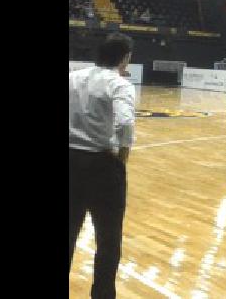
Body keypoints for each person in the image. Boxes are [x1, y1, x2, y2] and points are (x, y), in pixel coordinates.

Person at [69, 33, 136, 299]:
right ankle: (102, 294)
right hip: (102, 165)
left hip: (70, 160)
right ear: (125, 58)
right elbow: (125, 122)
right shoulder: (118, 84)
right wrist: (123, 155)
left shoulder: (73, 77)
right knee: (108, 239)